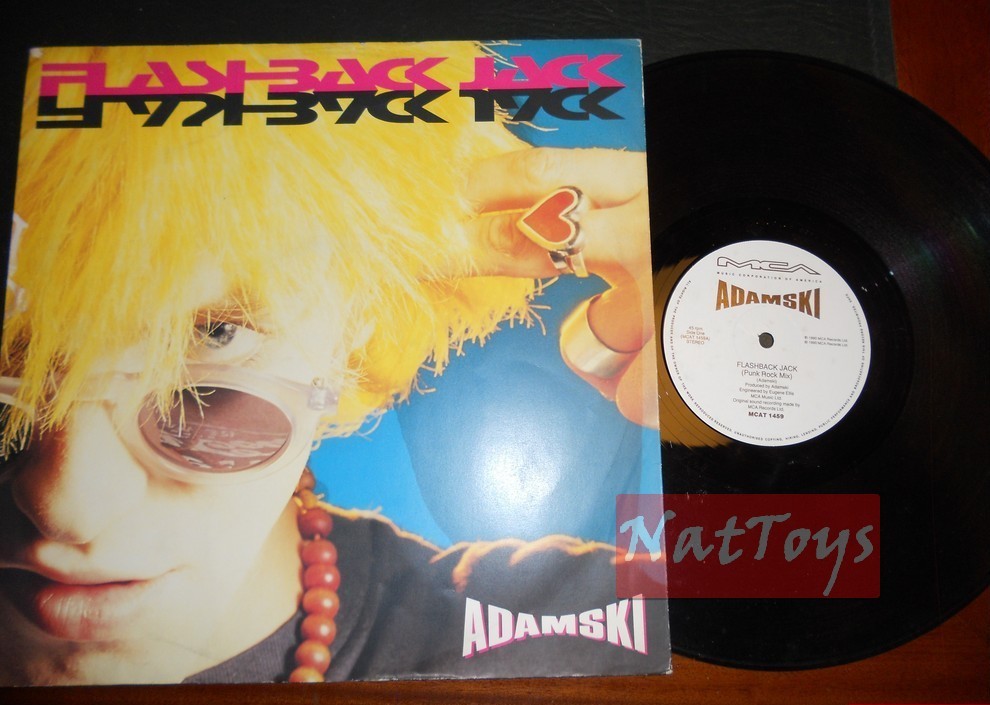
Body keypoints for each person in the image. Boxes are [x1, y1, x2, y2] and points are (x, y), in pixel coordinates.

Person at [0, 42, 662, 685]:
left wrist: (707, 361)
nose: (67, 504)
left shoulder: (567, 639)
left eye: (214, 335)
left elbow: (726, 591)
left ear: (358, 321)